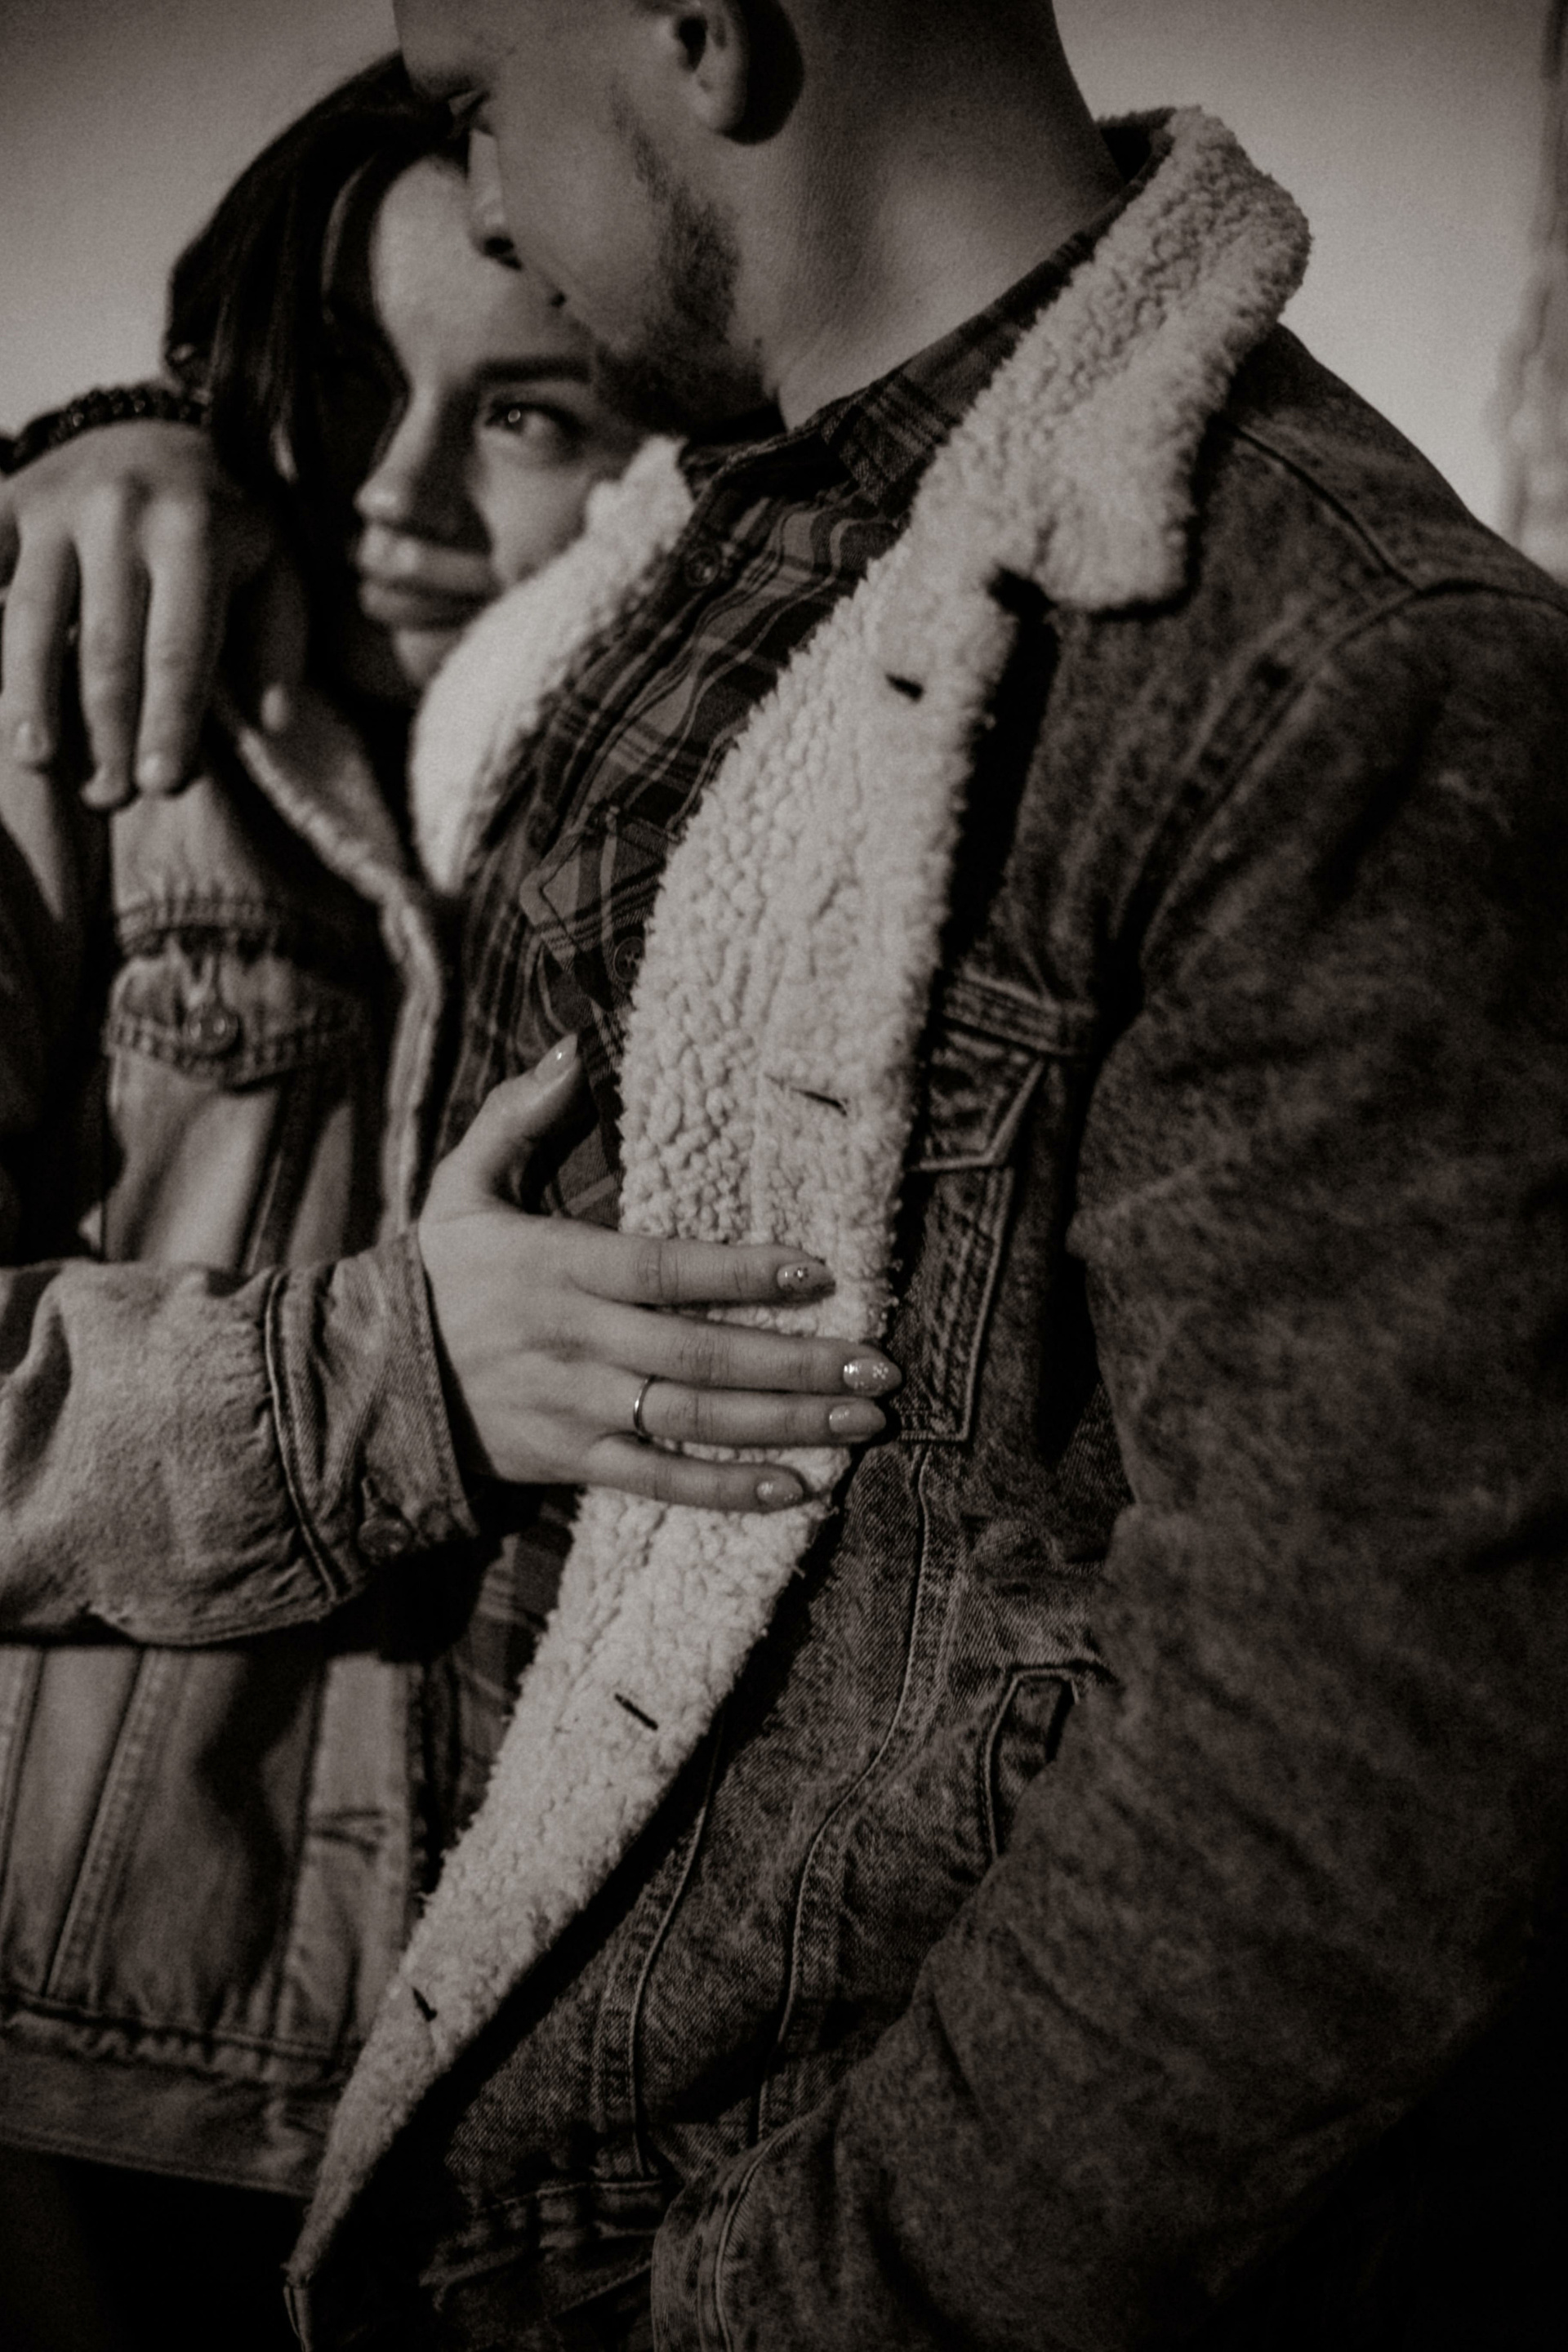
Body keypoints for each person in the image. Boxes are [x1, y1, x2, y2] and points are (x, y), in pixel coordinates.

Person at [3, 4, 1567, 2347]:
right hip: (221, 2111)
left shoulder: (1306, 660)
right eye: (334, 390)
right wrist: (104, 444)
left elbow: (1331, 1790)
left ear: (699, 29)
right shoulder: (673, 588)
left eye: (474, 98)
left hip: (643, 2230)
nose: (492, 192)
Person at [0, 39, 884, 2352]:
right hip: (84, 2087)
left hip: (548, 2131)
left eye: (520, 414)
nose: (389, 488)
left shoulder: (764, 805)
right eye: (337, 384)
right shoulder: (64, 733)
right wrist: (379, 1378)